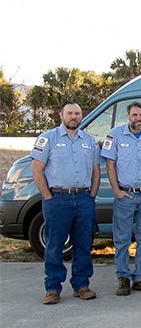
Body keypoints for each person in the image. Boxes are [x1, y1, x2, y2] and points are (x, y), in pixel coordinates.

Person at [31, 101, 101, 305]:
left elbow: (96, 171)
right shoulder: (47, 138)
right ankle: (52, 288)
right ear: (61, 114)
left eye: (77, 114)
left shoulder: (89, 140)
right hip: (58, 199)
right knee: (55, 244)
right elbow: (37, 170)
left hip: (83, 198)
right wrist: (47, 197)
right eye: (70, 113)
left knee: (83, 243)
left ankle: (81, 285)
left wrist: (92, 196)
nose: (74, 117)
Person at [101, 101, 141, 296]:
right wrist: (116, 191)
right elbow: (110, 164)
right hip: (125, 195)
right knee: (122, 238)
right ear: (128, 116)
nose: (138, 118)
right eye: (135, 115)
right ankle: (123, 278)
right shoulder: (115, 135)